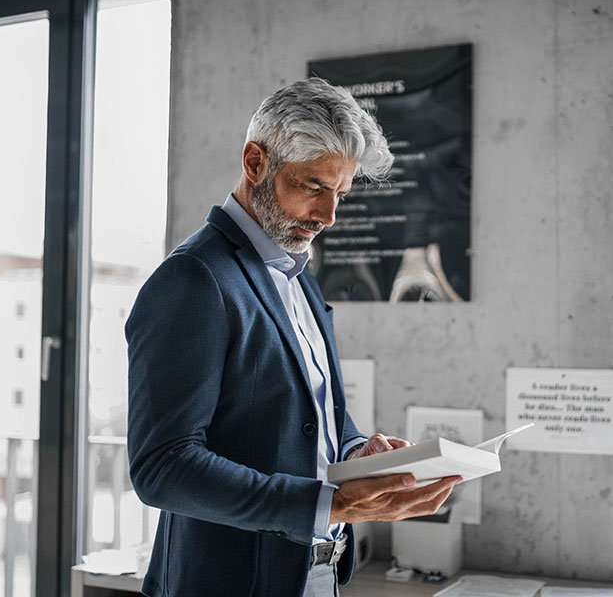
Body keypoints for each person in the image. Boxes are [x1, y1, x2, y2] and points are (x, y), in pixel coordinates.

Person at [126, 78, 461, 597]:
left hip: (315, 576)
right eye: (313, 187)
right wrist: (332, 504)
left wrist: (356, 453)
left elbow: (312, 414)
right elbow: (162, 468)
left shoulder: (296, 272)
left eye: (340, 194)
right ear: (255, 162)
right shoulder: (193, 280)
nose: (329, 217)